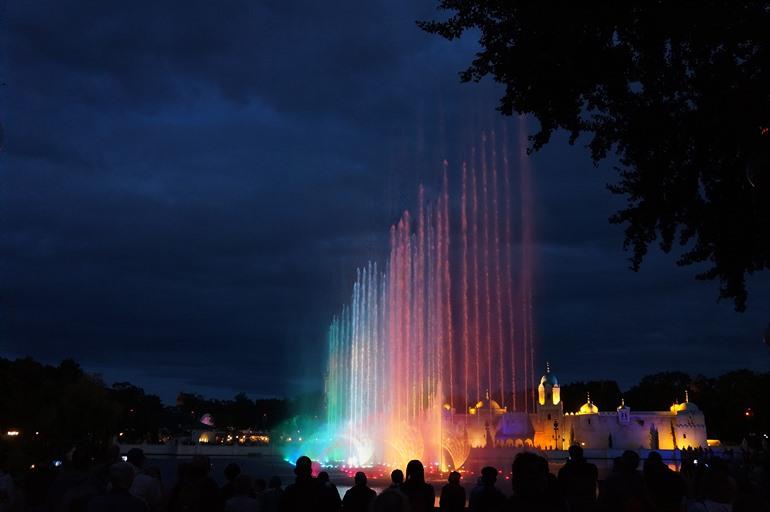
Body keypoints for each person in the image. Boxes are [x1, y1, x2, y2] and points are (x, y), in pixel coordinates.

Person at [557, 445, 598, 512]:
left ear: (570, 454)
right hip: (588, 502)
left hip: (572, 503)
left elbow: (561, 488)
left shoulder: (564, 470)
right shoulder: (592, 468)